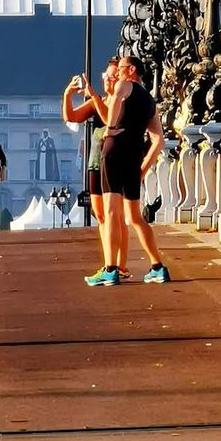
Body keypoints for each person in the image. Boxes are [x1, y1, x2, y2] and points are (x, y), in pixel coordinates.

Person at [85, 55, 170, 286]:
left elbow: (116, 99)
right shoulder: (149, 101)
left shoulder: (125, 85)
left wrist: (110, 128)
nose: (117, 74)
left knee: (112, 212)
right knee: (135, 216)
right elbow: (158, 141)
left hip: (114, 153)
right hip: (134, 157)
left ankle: (110, 269)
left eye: (121, 68)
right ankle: (157, 267)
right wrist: (142, 169)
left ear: (131, 70)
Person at [63, 59, 129, 278]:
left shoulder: (120, 101)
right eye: (106, 76)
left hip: (115, 161)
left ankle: (120, 265)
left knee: (116, 215)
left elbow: (110, 120)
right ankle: (109, 261)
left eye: (113, 76)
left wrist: (94, 97)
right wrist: (68, 95)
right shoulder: (98, 101)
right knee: (100, 215)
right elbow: (71, 117)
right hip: (95, 161)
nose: (108, 80)